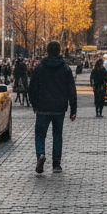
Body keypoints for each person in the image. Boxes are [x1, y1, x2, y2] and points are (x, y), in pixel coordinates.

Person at [28, 40, 77, 174]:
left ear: (47, 52)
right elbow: (71, 89)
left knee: (40, 134)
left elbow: (32, 87)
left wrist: (34, 104)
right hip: (59, 108)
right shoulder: (65, 68)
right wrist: (73, 110)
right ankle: (56, 164)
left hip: (43, 107)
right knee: (57, 135)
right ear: (59, 51)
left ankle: (41, 154)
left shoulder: (40, 68)